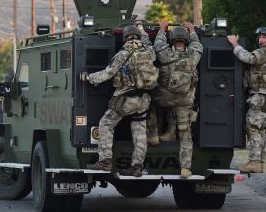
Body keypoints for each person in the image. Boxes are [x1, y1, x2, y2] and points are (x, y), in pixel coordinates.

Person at [83, 25, 157, 177]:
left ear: (125, 38)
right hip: (144, 100)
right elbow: (148, 41)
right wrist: (142, 30)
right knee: (140, 132)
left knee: (105, 124)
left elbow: (107, 74)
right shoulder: (149, 52)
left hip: (125, 100)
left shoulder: (123, 54)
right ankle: (137, 167)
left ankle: (105, 162)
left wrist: (89, 78)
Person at [147, 20, 203, 178]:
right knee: (185, 134)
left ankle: (153, 135)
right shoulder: (193, 54)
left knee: (147, 102)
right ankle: (186, 168)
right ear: (186, 40)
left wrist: (162, 29)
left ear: (172, 39)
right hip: (185, 100)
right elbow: (196, 43)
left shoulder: (166, 54)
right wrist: (192, 30)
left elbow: (158, 43)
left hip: (165, 97)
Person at [226, 27, 266, 173]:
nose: (260, 40)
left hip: (261, 96)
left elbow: (248, 58)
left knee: (252, 128)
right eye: (260, 37)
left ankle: (254, 162)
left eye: (264, 37)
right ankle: (260, 162)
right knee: (261, 130)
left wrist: (234, 44)